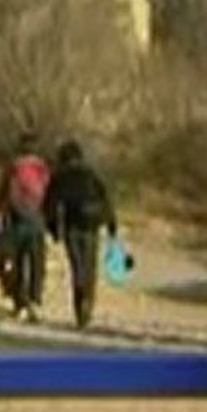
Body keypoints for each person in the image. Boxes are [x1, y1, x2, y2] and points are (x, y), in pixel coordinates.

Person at [44, 139, 118, 329]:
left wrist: (53, 230)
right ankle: (88, 307)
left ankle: (80, 309)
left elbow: (51, 204)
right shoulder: (91, 173)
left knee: (77, 268)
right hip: (92, 227)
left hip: (72, 227)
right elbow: (106, 198)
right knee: (90, 267)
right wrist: (111, 225)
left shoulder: (60, 176)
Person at [0, 131, 51, 322]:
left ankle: (19, 302)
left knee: (12, 261)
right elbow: (50, 196)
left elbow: (2, 192)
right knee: (36, 263)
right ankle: (35, 300)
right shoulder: (43, 169)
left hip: (14, 220)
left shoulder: (13, 167)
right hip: (36, 221)